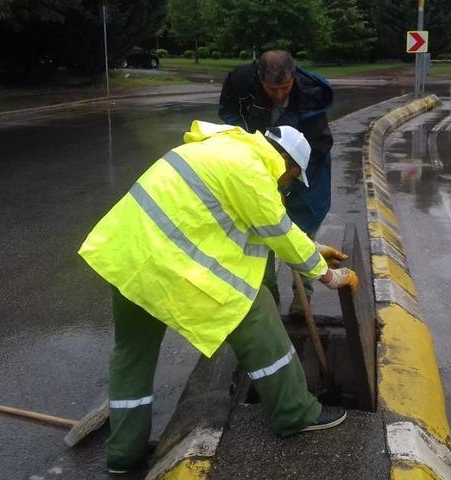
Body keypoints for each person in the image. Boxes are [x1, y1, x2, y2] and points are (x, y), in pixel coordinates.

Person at [78, 120, 358, 474]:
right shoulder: (253, 172)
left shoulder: (220, 149)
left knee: (132, 358)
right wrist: (329, 275)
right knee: (257, 314)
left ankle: (124, 455)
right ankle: (295, 413)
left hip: (127, 257)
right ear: (287, 163)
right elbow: (278, 230)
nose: (287, 187)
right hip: (166, 265)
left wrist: (315, 249)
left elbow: (257, 226)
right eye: (291, 179)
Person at [218, 49, 334, 313]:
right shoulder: (241, 83)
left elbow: (319, 145)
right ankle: (268, 301)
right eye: (272, 89)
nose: (279, 95)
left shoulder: (310, 95)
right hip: (257, 167)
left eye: (284, 87)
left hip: (306, 172)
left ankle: (302, 299)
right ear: (260, 79)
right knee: (261, 235)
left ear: (293, 76)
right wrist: (249, 143)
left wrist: (286, 180)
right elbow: (228, 114)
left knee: (302, 234)